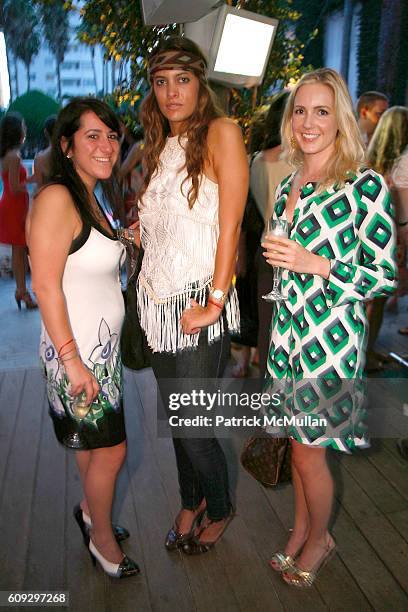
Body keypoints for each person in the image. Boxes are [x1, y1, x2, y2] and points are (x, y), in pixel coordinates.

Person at [262, 68, 397, 587]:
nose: (308, 121)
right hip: (288, 334)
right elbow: (286, 260)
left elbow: (382, 277)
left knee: (307, 450)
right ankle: (300, 529)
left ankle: (321, 539)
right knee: (296, 442)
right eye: (300, 110)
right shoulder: (289, 182)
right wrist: (286, 264)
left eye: (321, 111)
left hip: (331, 339)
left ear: (340, 118)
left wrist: (314, 263)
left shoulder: (367, 186)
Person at [136, 36, 248, 553]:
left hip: (201, 302)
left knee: (192, 423)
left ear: (201, 83)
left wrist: (216, 303)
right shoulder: (158, 144)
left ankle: (220, 506)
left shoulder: (222, 132)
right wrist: (143, 231)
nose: (171, 92)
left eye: (182, 79)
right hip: (158, 307)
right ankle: (190, 499)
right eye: (161, 82)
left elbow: (229, 229)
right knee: (175, 418)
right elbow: (172, 221)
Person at [26, 98, 140, 578]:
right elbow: (46, 284)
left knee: (95, 447)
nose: (107, 145)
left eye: (112, 135)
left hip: (100, 354)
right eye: (92, 135)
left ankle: (92, 511)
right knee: (113, 450)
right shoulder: (57, 197)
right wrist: (73, 362)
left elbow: (89, 259)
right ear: (67, 145)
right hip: (75, 355)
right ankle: (101, 537)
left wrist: (127, 238)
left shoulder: (93, 193)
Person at [365, 106, 408, 368]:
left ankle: (368, 349)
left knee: (372, 298)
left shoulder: (368, 162)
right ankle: (365, 354)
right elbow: (403, 211)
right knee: (376, 300)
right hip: (389, 238)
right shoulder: (401, 165)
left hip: (367, 236)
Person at [0, 112, 37, 309]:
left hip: (12, 206)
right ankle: (22, 291)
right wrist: (33, 179)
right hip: (14, 207)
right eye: (23, 126)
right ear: (17, 132)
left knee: (19, 252)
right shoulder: (14, 157)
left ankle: (21, 290)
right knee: (19, 252)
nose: (25, 129)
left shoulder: (8, 155)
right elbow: (15, 186)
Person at [33, 115, 57, 187]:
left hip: (48, 196)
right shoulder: (70, 155)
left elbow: (39, 186)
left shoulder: (39, 158)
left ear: (45, 132)